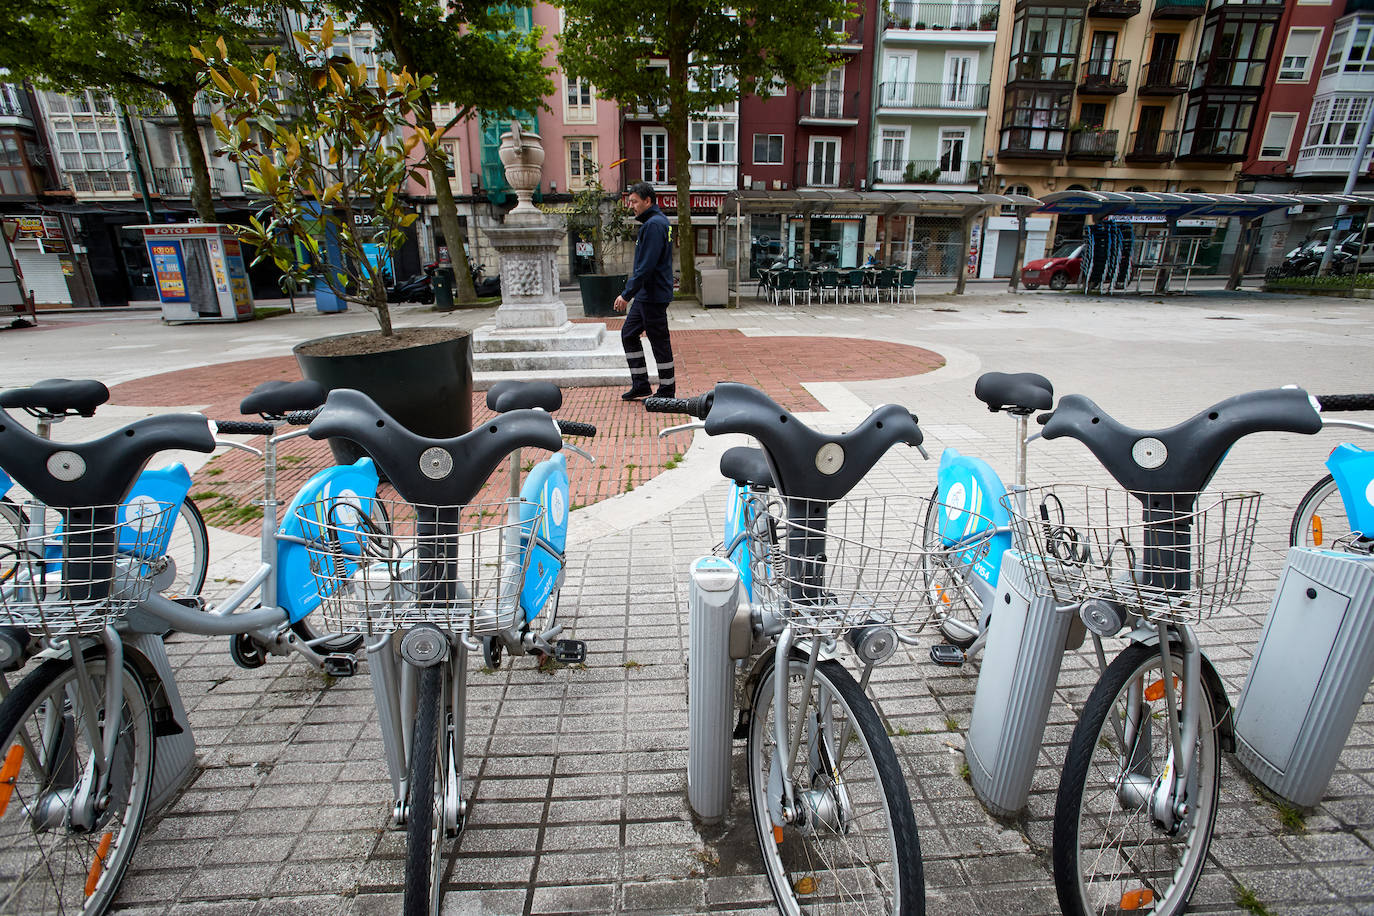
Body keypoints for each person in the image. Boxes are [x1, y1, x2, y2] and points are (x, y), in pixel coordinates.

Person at [615, 182, 675, 401]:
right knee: (628, 334)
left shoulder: (654, 225)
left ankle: (667, 391)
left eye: (634, 201)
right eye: (630, 201)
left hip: (653, 295)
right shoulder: (655, 223)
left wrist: (626, 294)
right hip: (647, 295)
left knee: (659, 342)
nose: (631, 205)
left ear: (647, 201)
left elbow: (647, 266)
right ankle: (641, 385)